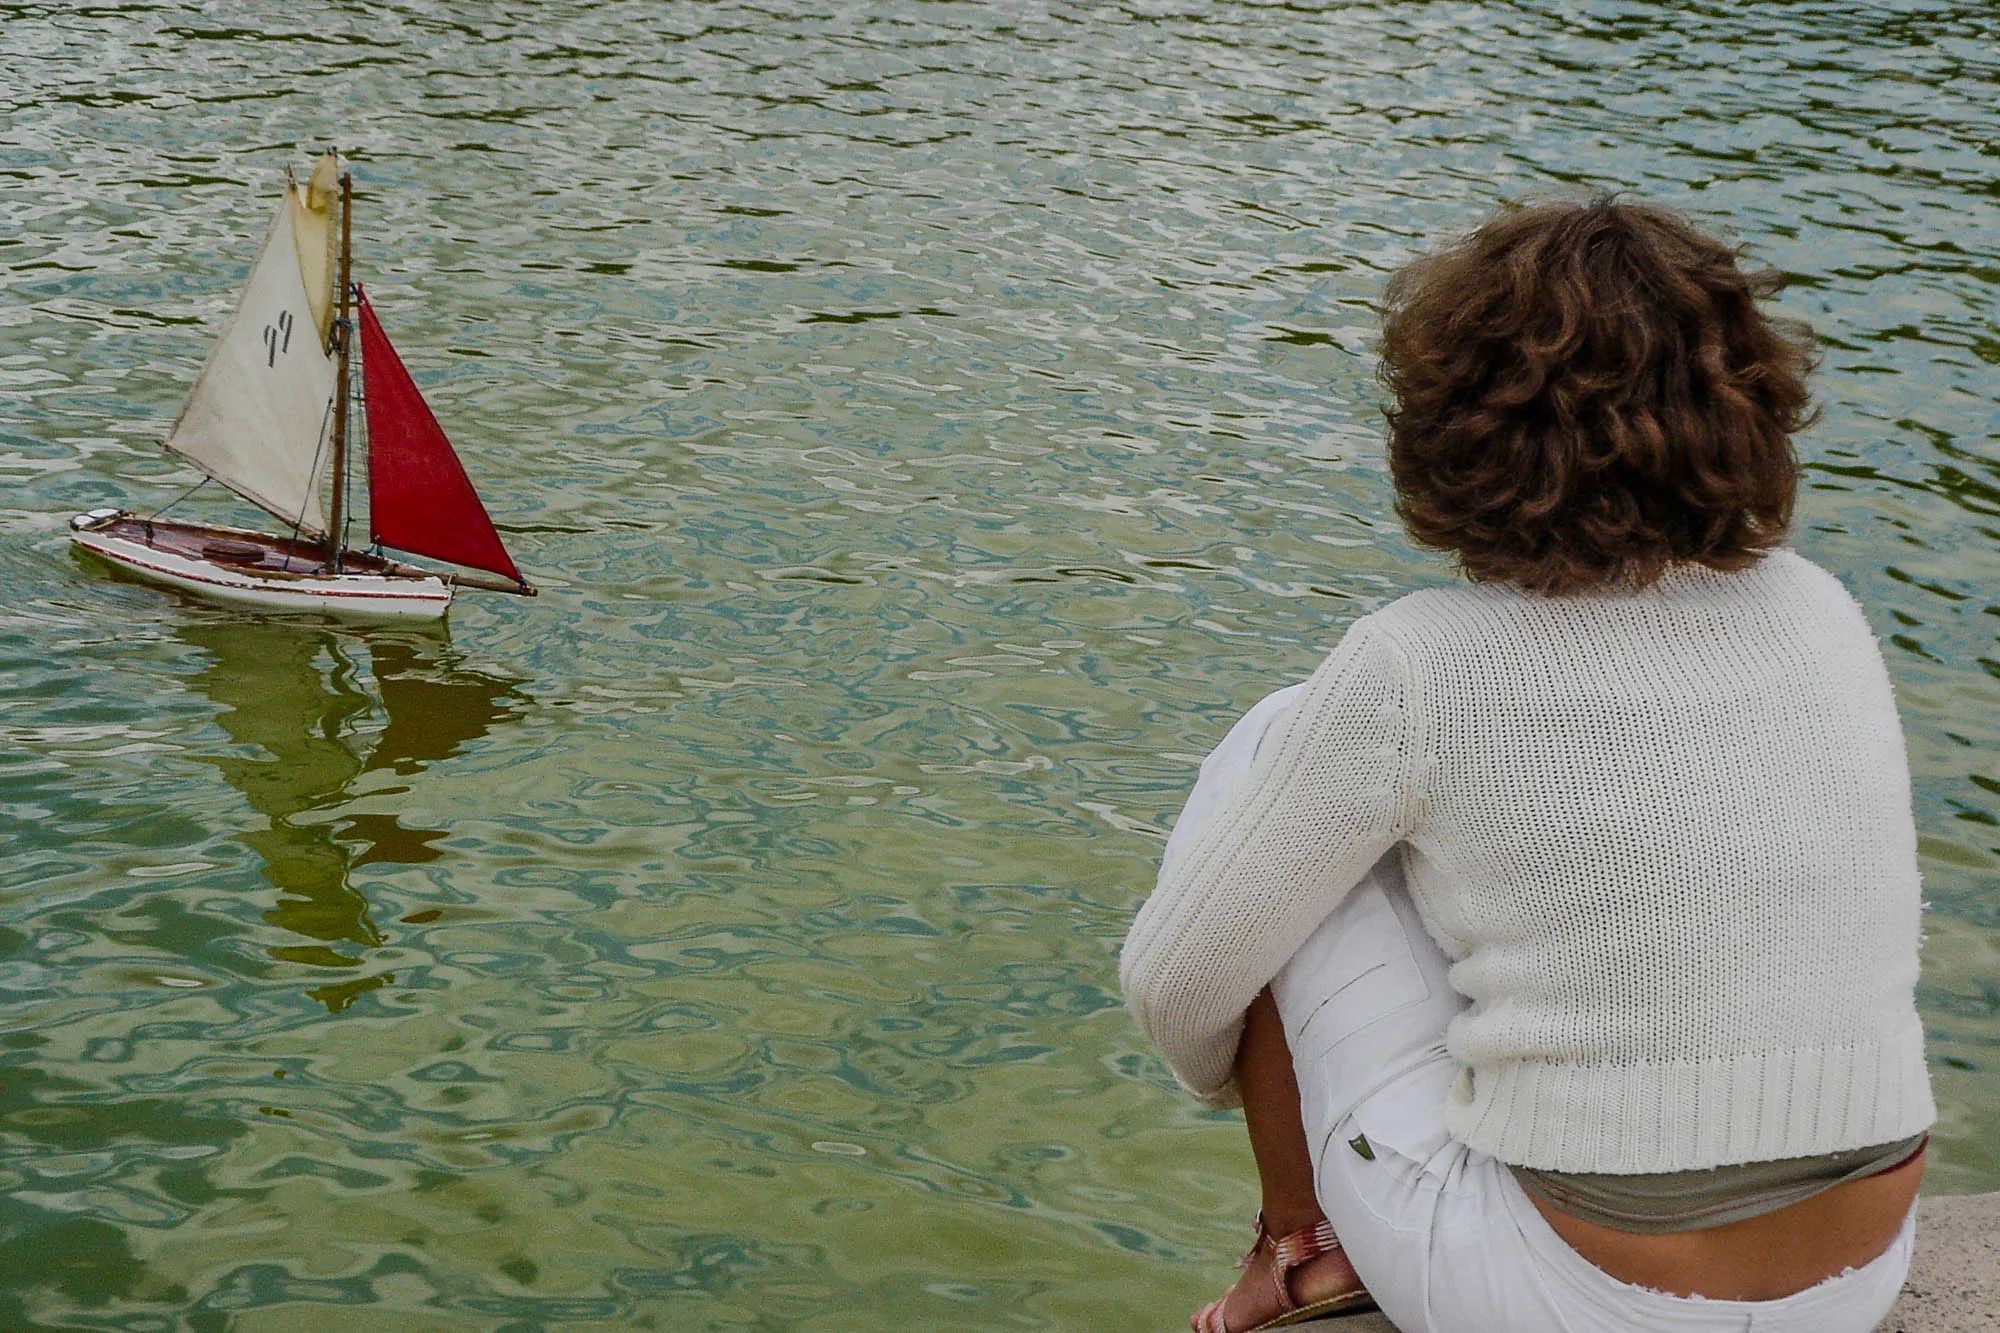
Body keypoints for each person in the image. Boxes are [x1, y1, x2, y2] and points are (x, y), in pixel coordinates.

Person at [1119, 197, 1934, 1333]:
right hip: (1850, 1276)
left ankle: (1300, 1243)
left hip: (1568, 1297)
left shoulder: (1419, 662)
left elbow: (1177, 984)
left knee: (1278, 746)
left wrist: (1276, 1064)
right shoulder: (1817, 608)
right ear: (1745, 398)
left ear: (1453, 422)